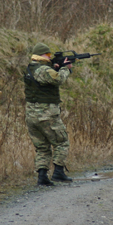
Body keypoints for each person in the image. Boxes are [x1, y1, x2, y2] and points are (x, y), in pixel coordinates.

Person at [23, 43, 73, 186]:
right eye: (48, 55)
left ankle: (42, 176)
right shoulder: (43, 69)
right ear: (43, 55)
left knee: (42, 146)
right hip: (46, 115)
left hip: (31, 116)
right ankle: (58, 172)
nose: (50, 57)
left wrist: (56, 67)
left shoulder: (31, 68)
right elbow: (58, 79)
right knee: (61, 142)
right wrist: (65, 69)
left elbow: (45, 79)